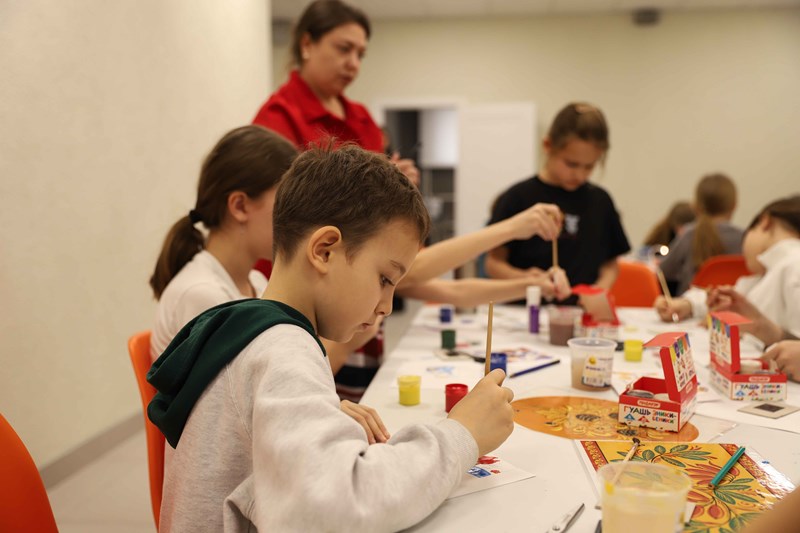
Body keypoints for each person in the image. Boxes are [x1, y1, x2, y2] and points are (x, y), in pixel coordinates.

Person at [148, 145, 515, 532]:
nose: (387, 306)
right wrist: (463, 434)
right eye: (385, 279)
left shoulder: (251, 327)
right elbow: (339, 506)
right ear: (324, 250)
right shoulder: (284, 349)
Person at [149, 125, 386, 441]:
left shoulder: (257, 281)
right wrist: (345, 349)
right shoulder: (202, 296)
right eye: (285, 202)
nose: (298, 217)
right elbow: (244, 405)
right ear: (240, 206)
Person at [252, 0, 419, 184]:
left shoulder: (362, 117)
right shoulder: (277, 116)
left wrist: (396, 181)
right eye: (344, 49)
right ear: (306, 44)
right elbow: (272, 197)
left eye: (360, 55)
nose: (354, 64)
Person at [485, 102, 630, 301]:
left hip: (581, 311)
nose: (579, 175)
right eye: (571, 164)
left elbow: (611, 264)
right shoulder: (517, 197)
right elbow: (493, 263)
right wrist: (524, 279)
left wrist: (597, 292)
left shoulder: (601, 201)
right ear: (548, 146)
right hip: (526, 309)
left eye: (589, 167)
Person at [655, 195, 800, 335]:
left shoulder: (792, 265)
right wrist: (688, 305)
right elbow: (730, 299)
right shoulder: (768, 275)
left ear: (765, 223)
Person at [658, 173, 742, 295]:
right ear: (734, 205)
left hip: (688, 306)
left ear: (696, 206)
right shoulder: (744, 238)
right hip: (731, 305)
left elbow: (663, 272)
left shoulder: (689, 235)